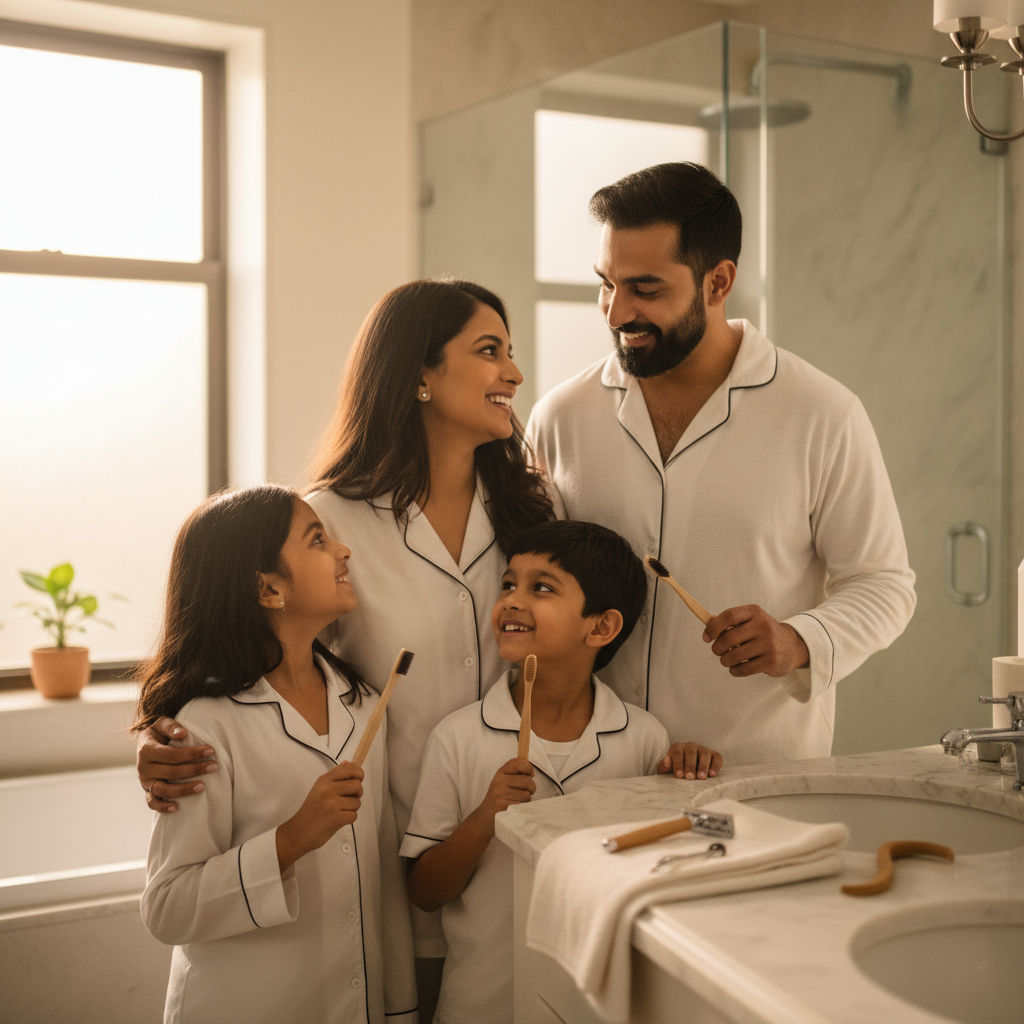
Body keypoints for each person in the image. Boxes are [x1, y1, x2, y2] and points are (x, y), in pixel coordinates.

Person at [135, 280, 557, 1008]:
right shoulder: (330, 522)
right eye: (490, 352)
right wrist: (158, 738)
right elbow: (244, 659)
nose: (514, 374)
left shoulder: (534, 510)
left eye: (512, 353)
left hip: (513, 847)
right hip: (386, 875)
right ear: (419, 375)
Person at [526, 162, 916, 766]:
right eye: (606, 283)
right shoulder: (560, 417)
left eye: (645, 289)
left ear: (718, 281)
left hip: (759, 777)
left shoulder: (821, 413)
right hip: (590, 779)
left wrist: (798, 640)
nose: (615, 312)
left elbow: (885, 586)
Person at [401, 520, 723, 1024]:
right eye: (508, 584)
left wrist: (689, 770)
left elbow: (666, 869)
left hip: (594, 1008)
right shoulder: (459, 737)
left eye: (541, 588)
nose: (511, 599)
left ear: (601, 627)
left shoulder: (643, 739)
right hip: (482, 1006)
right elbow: (424, 894)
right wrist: (487, 816)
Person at [134, 485, 417, 1024]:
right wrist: (290, 841)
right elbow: (166, 907)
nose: (343, 550)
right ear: (268, 588)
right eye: (317, 540)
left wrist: (399, 1009)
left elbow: (380, 876)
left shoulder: (362, 707)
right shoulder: (204, 727)